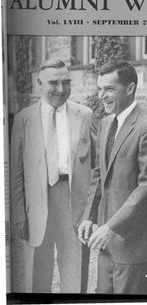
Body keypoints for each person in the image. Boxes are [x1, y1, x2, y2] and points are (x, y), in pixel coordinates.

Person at [10, 58, 97, 293]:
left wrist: (90, 211)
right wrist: (18, 215)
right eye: (54, 83)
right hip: (38, 203)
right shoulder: (23, 119)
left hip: (74, 201)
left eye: (66, 83)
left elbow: (97, 167)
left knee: (74, 275)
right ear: (39, 82)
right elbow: (16, 173)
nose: (61, 89)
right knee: (38, 274)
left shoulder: (85, 115)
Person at [78, 61, 147, 294]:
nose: (102, 96)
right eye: (99, 89)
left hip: (135, 243)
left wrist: (111, 227)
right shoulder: (106, 123)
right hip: (107, 244)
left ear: (130, 88)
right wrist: (89, 216)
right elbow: (99, 173)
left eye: (109, 89)